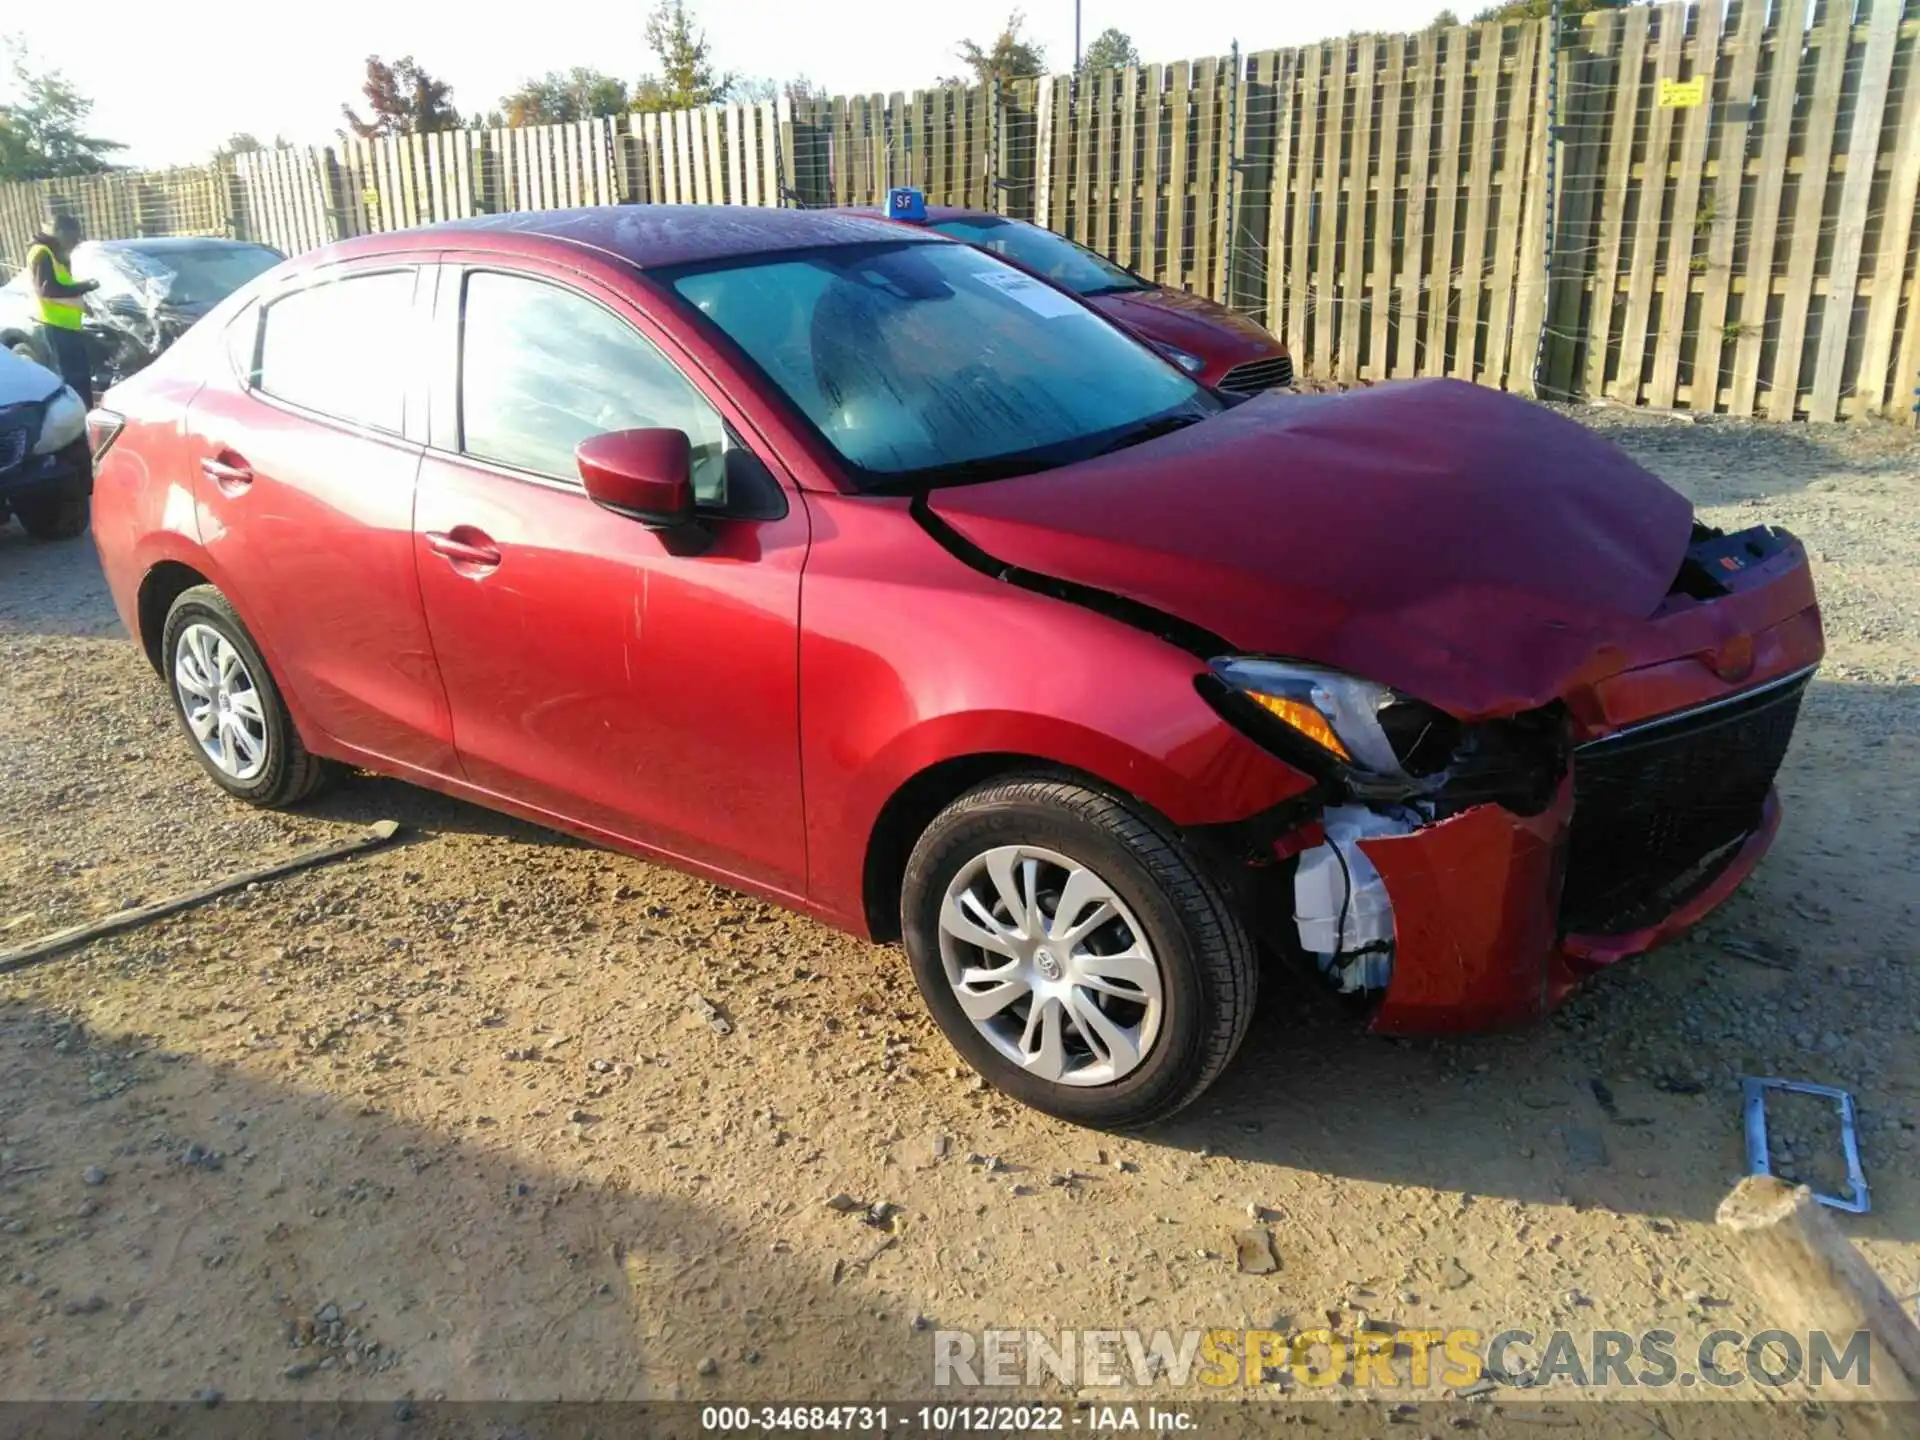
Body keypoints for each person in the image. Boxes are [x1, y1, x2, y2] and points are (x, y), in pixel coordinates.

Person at [25, 214, 100, 406]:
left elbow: (63, 285)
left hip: (68, 327)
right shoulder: (42, 252)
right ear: (59, 232)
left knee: (80, 378)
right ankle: (76, 424)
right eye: (73, 237)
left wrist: (84, 304)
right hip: (56, 327)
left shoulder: (55, 253)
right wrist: (85, 286)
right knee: (72, 380)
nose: (76, 242)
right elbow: (48, 290)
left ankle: (84, 417)